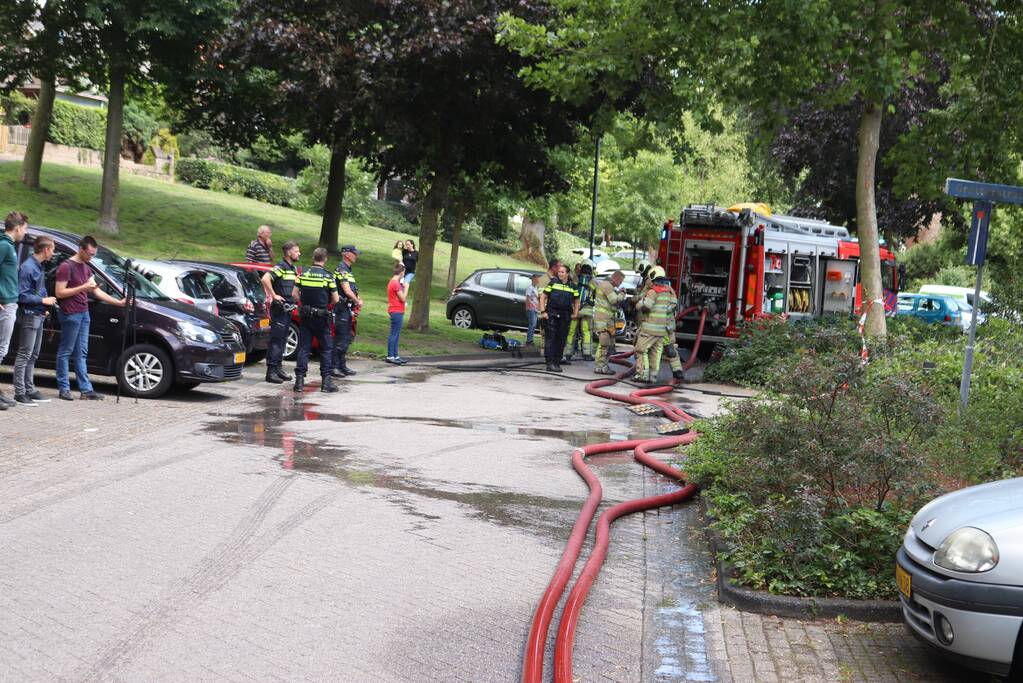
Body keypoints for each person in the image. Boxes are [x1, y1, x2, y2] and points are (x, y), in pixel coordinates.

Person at [54, 235, 126, 401]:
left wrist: (118, 303)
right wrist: (83, 287)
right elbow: (59, 292)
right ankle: (63, 388)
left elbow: (96, 291)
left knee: (82, 353)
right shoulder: (66, 266)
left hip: (84, 313)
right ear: (81, 249)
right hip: (71, 314)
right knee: (66, 351)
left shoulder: (86, 268)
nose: (91, 257)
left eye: (94, 254)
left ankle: (86, 390)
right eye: (90, 254)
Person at [13, 234, 58, 406]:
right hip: (30, 315)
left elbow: (40, 289)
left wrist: (45, 306)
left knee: (34, 354)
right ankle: (20, 392)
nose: (53, 253)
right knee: (25, 353)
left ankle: (29, 389)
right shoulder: (28, 267)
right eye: (52, 249)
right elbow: (22, 295)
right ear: (46, 249)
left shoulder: (39, 267)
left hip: (38, 314)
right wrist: (42, 301)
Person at [293, 247, 339, 393]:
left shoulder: (303, 274)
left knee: (304, 348)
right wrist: (326, 306)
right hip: (321, 317)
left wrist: (304, 305)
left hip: (306, 315)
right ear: (325, 259)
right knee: (326, 348)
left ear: (313, 258)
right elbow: (336, 299)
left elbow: (294, 293)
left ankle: (299, 382)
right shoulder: (328, 276)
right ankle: (326, 383)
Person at [261, 240, 301, 384]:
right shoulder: (281, 267)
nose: (299, 254)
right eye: (297, 251)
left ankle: (278, 368)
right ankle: (270, 372)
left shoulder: (292, 268)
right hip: (280, 309)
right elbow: (265, 278)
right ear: (289, 252)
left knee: (283, 340)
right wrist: (274, 295)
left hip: (288, 309)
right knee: (276, 341)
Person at [0, 212, 29, 409]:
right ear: (17, 227)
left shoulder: (9, 246)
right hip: (5, 304)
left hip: (10, 303)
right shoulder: (4, 246)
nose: (25, 233)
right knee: (1, 349)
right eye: (25, 229)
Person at [634, 266, 677, 383]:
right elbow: (672, 305)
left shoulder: (653, 291)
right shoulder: (668, 292)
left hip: (649, 329)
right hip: (661, 331)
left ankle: (642, 375)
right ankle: (653, 377)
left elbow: (647, 306)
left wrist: (640, 303)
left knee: (641, 350)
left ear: (653, 277)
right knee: (656, 353)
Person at [539, 264, 579, 373]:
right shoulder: (553, 283)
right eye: (559, 272)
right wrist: (543, 311)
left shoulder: (572, 286)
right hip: (551, 314)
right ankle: (550, 362)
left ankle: (557, 361)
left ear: (567, 274)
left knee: (561, 339)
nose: (560, 273)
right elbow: (543, 296)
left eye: (562, 272)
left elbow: (576, 300)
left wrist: (575, 313)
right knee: (551, 338)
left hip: (565, 316)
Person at [333, 244, 363, 377]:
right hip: (341, 308)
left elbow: (352, 289)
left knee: (346, 338)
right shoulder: (341, 269)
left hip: (348, 308)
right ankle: (334, 367)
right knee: (340, 338)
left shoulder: (348, 270)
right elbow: (346, 290)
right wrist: (357, 301)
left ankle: (342, 365)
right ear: (346, 254)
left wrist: (357, 299)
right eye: (354, 253)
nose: (356, 256)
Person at [592, 270, 626, 375]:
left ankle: (602, 366)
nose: (620, 284)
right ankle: (601, 367)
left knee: (608, 344)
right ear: (616, 278)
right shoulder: (607, 286)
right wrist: (622, 293)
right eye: (620, 281)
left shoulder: (606, 285)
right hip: (604, 321)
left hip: (607, 320)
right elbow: (614, 300)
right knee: (604, 344)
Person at [568, 260, 595, 361]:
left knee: (571, 331)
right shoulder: (593, 281)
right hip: (587, 311)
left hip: (575, 309)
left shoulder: (575, 279)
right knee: (586, 332)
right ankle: (587, 354)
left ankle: (567, 353)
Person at [386, 262, 408, 364]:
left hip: (397, 310)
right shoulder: (395, 283)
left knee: (396, 334)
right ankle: (391, 356)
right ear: (402, 272)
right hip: (396, 310)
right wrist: (406, 287)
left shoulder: (395, 282)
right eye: (404, 272)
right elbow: (403, 298)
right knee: (394, 334)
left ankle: (395, 355)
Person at [524, 274, 540, 346]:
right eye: (536, 279)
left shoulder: (535, 288)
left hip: (535, 309)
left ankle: (531, 340)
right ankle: (529, 341)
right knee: (532, 324)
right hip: (531, 309)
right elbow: (528, 298)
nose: (538, 280)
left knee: (534, 325)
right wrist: (528, 307)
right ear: (533, 279)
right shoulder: (530, 288)